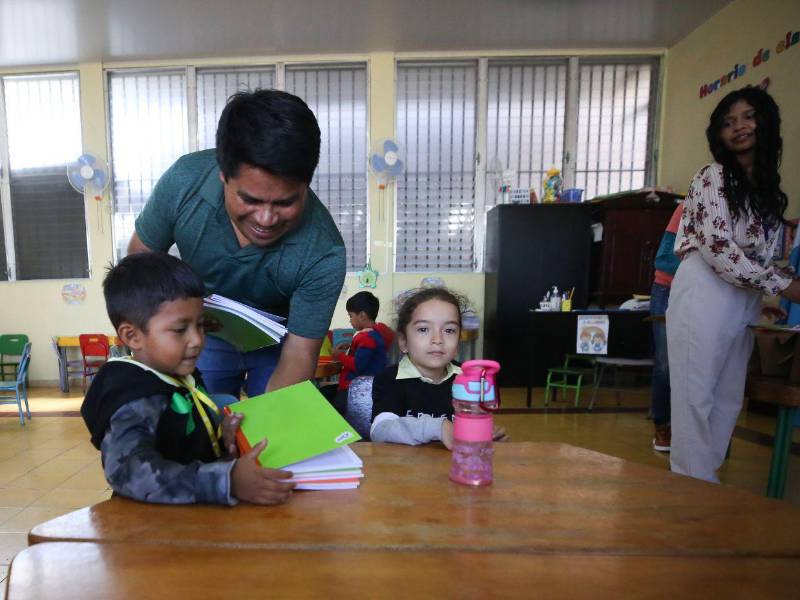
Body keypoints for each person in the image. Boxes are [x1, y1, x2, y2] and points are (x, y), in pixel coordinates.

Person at [128, 89, 346, 397]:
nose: (266, 219)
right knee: (198, 419)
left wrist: (272, 429)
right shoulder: (184, 182)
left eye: (285, 202)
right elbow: (140, 264)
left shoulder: (324, 252)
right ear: (223, 175)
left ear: (306, 184)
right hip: (201, 330)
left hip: (279, 343)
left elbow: (300, 353)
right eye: (250, 199)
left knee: (278, 430)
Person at [81, 252, 295, 506]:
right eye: (180, 330)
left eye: (201, 325)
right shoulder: (134, 394)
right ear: (132, 336)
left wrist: (221, 434)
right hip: (154, 528)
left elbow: (183, 436)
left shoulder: (178, 372)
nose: (197, 340)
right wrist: (225, 481)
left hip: (196, 513)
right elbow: (129, 472)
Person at [666, 86, 800, 483]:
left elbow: (759, 255)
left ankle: (704, 480)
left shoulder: (766, 192)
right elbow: (720, 249)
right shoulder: (712, 176)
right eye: (728, 122)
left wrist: (761, 298)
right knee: (695, 396)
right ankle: (692, 487)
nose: (739, 127)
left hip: (743, 295)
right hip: (705, 287)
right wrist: (784, 286)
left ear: (765, 122)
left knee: (726, 400)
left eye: (748, 117)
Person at [370, 287, 508, 447]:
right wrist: (438, 427)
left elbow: (475, 425)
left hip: (456, 466)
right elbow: (380, 430)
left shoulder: (468, 378)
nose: (438, 339)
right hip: (406, 468)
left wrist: (488, 436)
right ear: (403, 341)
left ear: (458, 341)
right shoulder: (389, 379)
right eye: (423, 329)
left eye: (449, 330)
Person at [322, 291, 394, 415]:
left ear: (362, 315)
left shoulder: (367, 338)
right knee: (326, 393)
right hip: (357, 385)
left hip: (358, 389)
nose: (350, 320)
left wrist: (338, 356)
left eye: (351, 316)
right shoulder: (371, 334)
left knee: (332, 408)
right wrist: (350, 347)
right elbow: (365, 355)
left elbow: (357, 365)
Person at [649, 203, 683, 452]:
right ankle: (663, 426)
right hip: (667, 290)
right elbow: (663, 259)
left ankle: (686, 429)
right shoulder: (686, 208)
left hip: (703, 296)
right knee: (665, 364)